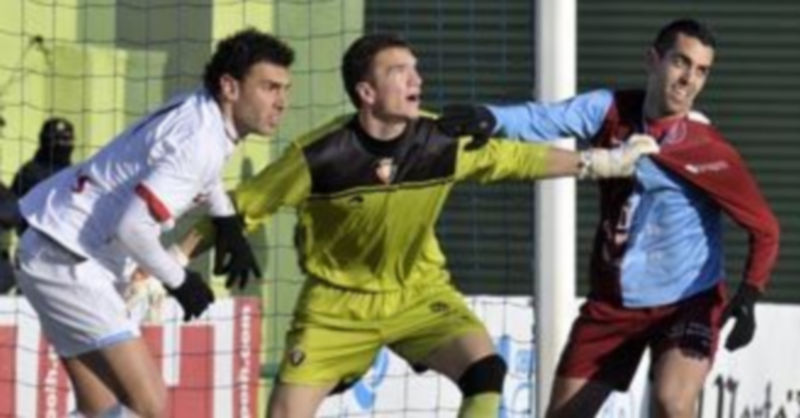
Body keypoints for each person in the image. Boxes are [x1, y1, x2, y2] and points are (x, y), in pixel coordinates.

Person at [173, 33, 659, 418]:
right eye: (398, 71)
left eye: (416, 69)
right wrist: (169, 265)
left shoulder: (439, 140)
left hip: (419, 296)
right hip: (335, 308)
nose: (415, 79)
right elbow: (237, 207)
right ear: (366, 92)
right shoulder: (318, 155)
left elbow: (516, 159)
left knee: (486, 372)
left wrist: (603, 163)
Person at [437, 18, 780, 418]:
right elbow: (544, 118)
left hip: (688, 301)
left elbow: (765, 228)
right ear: (652, 60)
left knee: (672, 401)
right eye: (680, 62)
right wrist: (491, 118)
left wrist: (750, 294)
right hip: (612, 305)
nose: (689, 79)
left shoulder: (709, 150)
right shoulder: (609, 110)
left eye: (701, 70)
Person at [14, 28, 291, 417]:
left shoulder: (200, 111)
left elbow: (202, 172)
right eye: (269, 87)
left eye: (284, 89)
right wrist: (181, 282)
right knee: (150, 405)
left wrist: (226, 222)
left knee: (100, 407)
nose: (282, 102)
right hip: (68, 258)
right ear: (230, 87)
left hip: (52, 241)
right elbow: (133, 229)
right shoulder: (201, 140)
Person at [12, 117, 76, 198]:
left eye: (66, 139)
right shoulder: (29, 173)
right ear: (44, 139)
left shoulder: (75, 173)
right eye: (56, 138)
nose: (61, 143)